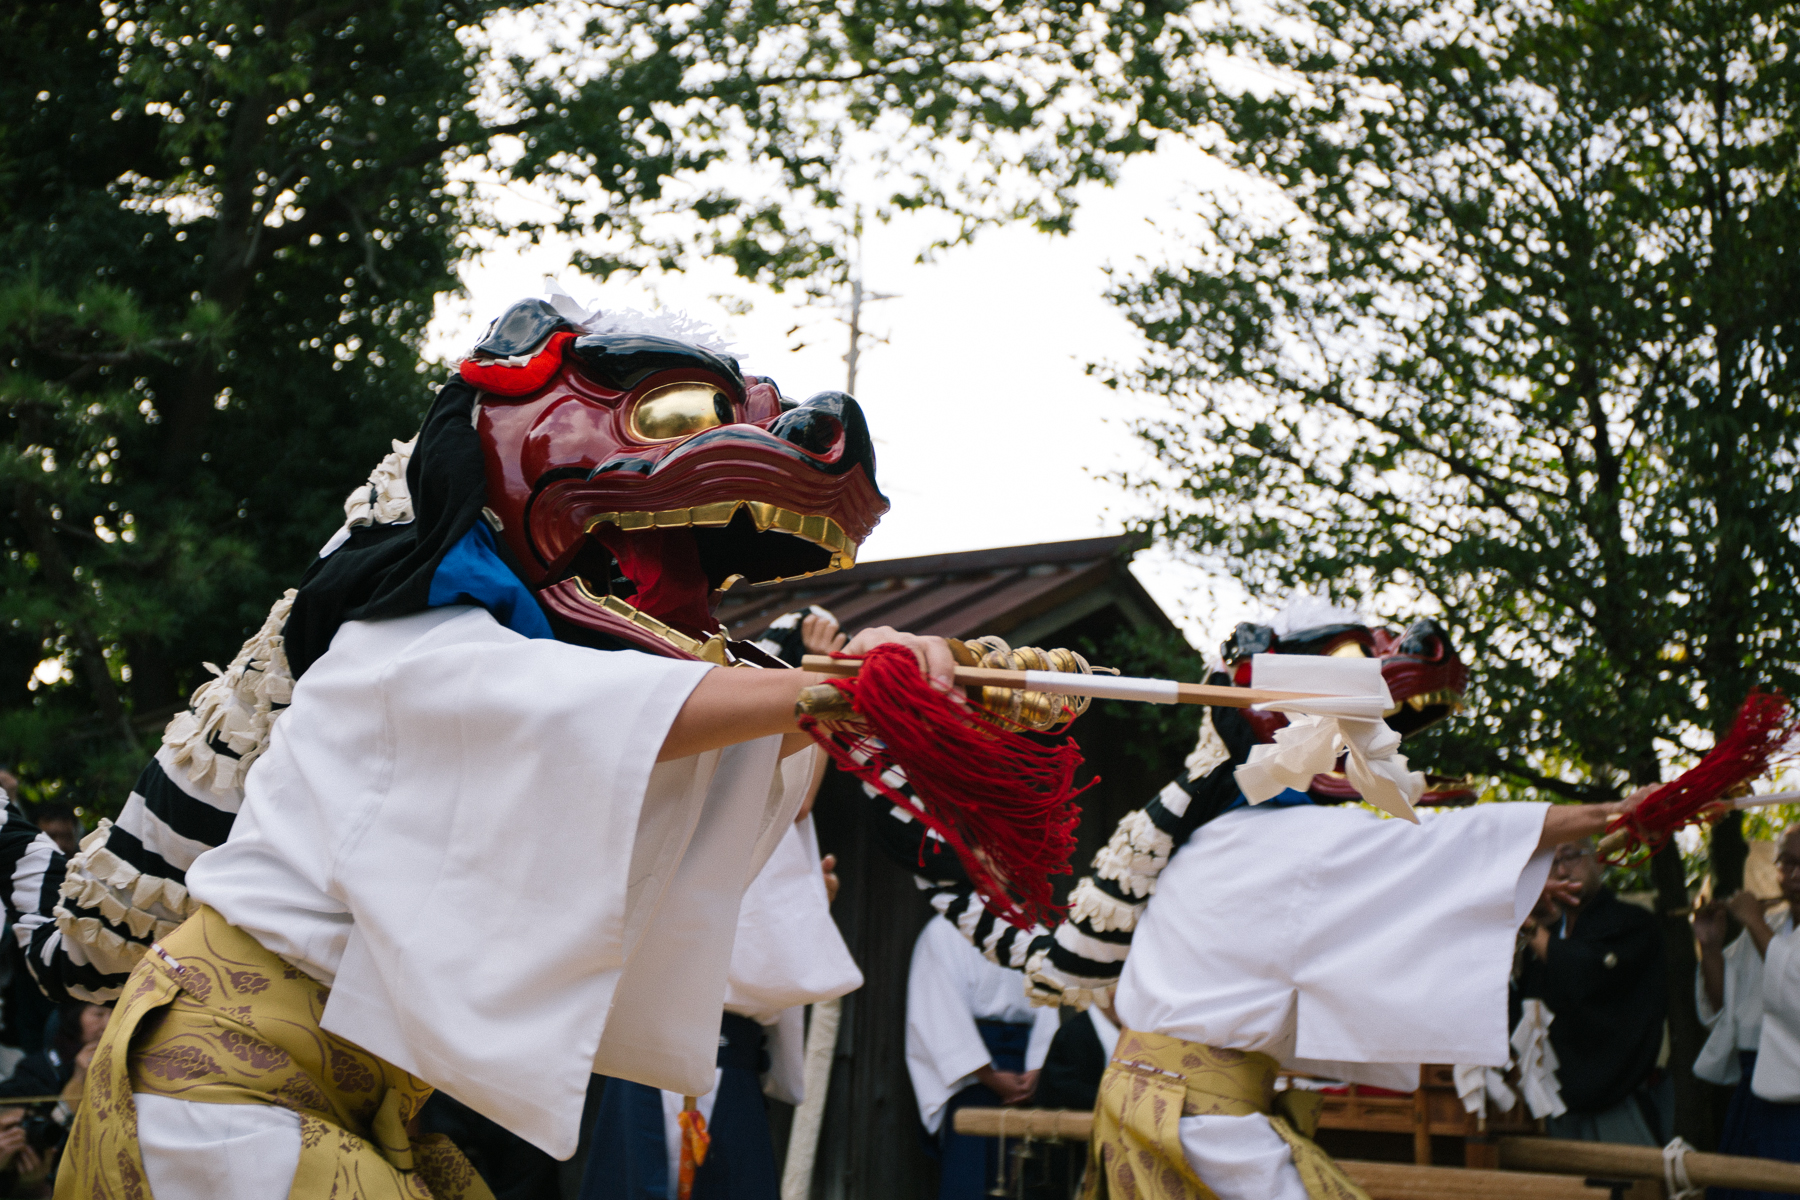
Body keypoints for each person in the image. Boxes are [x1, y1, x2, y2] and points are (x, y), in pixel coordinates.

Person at [50, 295, 997, 1199]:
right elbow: (629, 711)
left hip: (353, 1110)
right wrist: (836, 688)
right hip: (229, 1089)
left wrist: (855, 679)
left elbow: (703, 761)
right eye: (667, 416)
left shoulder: (552, 710)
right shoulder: (403, 653)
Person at [580, 813, 859, 1200]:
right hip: (646, 1032)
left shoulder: (779, 815)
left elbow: (801, 796)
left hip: (731, 1046)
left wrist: (801, 909)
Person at [1515, 837, 1668, 1144]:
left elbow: (1587, 972)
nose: (1561, 871)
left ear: (1598, 860)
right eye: (1550, 865)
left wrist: (1531, 928)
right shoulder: (1549, 936)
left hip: (1622, 1099)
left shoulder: (1633, 923)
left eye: (1570, 856)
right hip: (1560, 1105)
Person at [906, 914, 1060, 1200]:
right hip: (972, 1079)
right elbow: (941, 1011)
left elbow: (1049, 1005)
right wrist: (987, 1074)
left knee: (1027, 1180)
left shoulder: (1034, 932)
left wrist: (1038, 1067)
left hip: (1025, 1072)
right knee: (971, 1181)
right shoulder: (945, 930)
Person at [1694, 825, 1800, 1195]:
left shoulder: (1761, 925)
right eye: (1786, 864)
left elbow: (1794, 992)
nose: (1794, 876)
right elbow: (1727, 1008)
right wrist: (1710, 947)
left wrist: (1752, 921)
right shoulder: (1771, 923)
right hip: (1753, 1090)